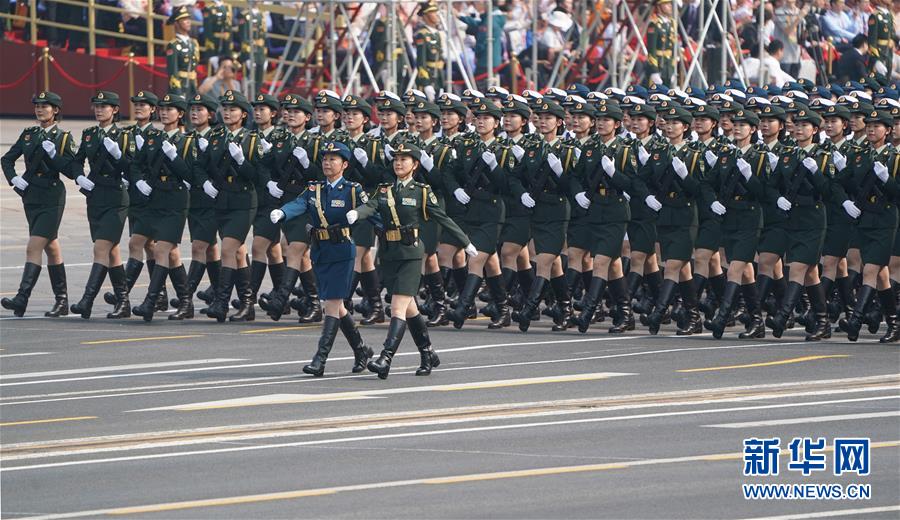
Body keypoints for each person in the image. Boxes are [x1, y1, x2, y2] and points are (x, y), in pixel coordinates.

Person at [348, 143, 477, 379]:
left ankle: (385, 358)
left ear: (415, 165)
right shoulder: (385, 189)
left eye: (404, 159)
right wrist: (358, 213)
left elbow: (443, 218)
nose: (398, 163)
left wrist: (465, 241)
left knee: (397, 307)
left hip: (410, 254)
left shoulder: (421, 191)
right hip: (388, 254)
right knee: (410, 309)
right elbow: (371, 205)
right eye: (396, 159)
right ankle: (427, 352)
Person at [271, 142, 374, 376]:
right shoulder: (314, 189)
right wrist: (283, 212)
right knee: (335, 306)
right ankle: (361, 350)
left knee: (331, 306)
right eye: (325, 159)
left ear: (345, 164)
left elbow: (371, 210)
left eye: (333, 159)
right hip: (321, 250)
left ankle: (320, 359)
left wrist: (389, 231)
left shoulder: (352, 190)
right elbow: (299, 204)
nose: (328, 163)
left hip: (342, 251)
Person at [1, 92, 76, 318]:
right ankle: (61, 300)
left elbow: (72, 171)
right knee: (51, 247)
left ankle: (22, 298)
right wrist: (14, 179)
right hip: (31, 196)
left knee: (33, 247)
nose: (40, 110)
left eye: (45, 106)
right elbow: (6, 159)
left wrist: (54, 154)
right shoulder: (29, 134)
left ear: (56, 110)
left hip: (52, 197)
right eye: (37, 106)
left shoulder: (63, 138)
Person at [765, 107, 834, 340]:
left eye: (805, 125)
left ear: (815, 130)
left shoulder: (823, 156)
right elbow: (771, 185)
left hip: (814, 218)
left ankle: (782, 316)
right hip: (792, 217)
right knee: (810, 273)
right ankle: (823, 322)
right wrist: (778, 199)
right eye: (797, 125)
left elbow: (828, 190)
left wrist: (816, 172)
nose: (799, 129)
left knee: (797, 267)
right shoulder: (788, 155)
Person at [570, 102, 639, 333]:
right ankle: (626, 313)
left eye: (606, 120)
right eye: (598, 119)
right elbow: (575, 175)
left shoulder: (627, 147)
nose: (600, 123)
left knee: (600, 261)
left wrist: (614, 174)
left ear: (617, 124)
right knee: (613, 265)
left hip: (616, 210)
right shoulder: (591, 146)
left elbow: (632, 183)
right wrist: (578, 192)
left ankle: (587, 313)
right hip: (594, 208)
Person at [509, 99, 578, 332]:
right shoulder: (532, 146)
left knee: (544, 260)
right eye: (540, 117)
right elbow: (515, 177)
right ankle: (566, 308)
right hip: (537, 209)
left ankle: (530, 307)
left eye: (549, 118)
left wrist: (559, 171)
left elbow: (572, 184)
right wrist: (522, 193)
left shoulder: (568, 148)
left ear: (559, 122)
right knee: (555, 264)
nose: (543, 122)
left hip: (558, 209)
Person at [701, 109, 768, 339]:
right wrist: (713, 202)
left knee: (736, 268)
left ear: (753, 129)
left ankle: (722, 316)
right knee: (746, 272)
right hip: (729, 217)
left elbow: (763, 192)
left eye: (743, 125)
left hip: (750, 218)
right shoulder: (725, 155)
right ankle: (757, 321)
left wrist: (750, 177)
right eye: (735, 124)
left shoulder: (760, 156)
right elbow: (707, 184)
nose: (737, 128)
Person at [131, 93, 197, 322]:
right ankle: (186, 301)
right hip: (154, 198)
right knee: (143, 244)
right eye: (162, 109)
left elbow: (190, 174)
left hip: (176, 200)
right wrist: (139, 180)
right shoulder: (153, 138)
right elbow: (136, 164)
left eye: (170, 109)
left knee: (161, 250)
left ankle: (151, 301)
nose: (164, 112)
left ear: (180, 114)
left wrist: (174, 156)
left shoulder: (188, 141)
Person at [70, 91, 136, 319]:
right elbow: (76, 162)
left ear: (115, 110)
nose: (99, 110)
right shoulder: (89, 134)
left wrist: (119, 155)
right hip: (95, 196)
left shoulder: (124, 135)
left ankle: (86, 301)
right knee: (112, 251)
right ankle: (123, 302)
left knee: (100, 248)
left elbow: (133, 168)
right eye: (96, 106)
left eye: (105, 106)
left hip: (117, 197)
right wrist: (79, 177)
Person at [838, 109, 900, 342]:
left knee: (871, 270)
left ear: (888, 130)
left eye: (878, 126)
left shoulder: (895, 158)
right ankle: (894, 324)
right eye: (870, 125)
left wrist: (887, 180)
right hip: (864, 219)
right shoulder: (859, 155)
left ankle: (855, 319)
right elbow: (840, 182)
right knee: (881, 275)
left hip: (885, 219)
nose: (872, 129)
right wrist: (845, 201)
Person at [203, 90, 262, 322]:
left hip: (243, 201)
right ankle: (248, 304)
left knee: (227, 249)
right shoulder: (215, 136)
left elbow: (257, 175)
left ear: (243, 114)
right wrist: (205, 182)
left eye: (232, 109)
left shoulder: (252, 139)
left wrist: (241, 161)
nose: (227, 113)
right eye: (225, 109)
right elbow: (201, 164)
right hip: (221, 200)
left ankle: (221, 302)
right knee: (237, 253)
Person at [166, 6, 200, 98]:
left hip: (192, 86)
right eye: (184, 19)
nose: (188, 22)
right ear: (176, 23)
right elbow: (173, 71)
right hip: (181, 86)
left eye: (188, 19)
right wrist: (177, 92)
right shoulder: (173, 45)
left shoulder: (193, 43)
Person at [415, 0, 445, 100]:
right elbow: (421, 61)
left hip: (438, 76)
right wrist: (426, 83)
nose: (436, 15)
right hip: (429, 76)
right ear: (425, 16)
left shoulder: (436, 34)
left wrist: (441, 81)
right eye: (432, 12)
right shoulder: (422, 34)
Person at [646, 0, 677, 86]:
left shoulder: (672, 23)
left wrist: (673, 68)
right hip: (659, 64)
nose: (670, 6)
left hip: (668, 67)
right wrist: (654, 71)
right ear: (659, 6)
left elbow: (673, 47)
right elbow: (651, 49)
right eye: (666, 4)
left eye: (670, 3)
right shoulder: (654, 24)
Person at [868, 0, 895, 77]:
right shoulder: (875, 15)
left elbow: (892, 32)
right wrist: (876, 60)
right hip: (879, 51)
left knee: (887, 77)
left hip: (888, 50)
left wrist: (892, 40)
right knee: (877, 79)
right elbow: (872, 39)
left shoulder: (888, 14)